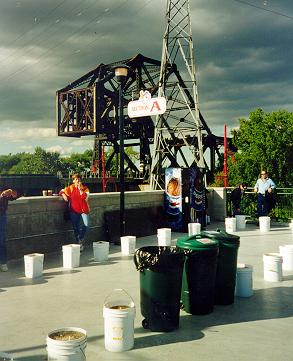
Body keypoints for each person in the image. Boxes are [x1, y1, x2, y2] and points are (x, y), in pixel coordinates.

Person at [59, 173, 90, 251]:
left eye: (78, 179)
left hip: (83, 210)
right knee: (76, 227)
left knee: (87, 225)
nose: (77, 180)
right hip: (74, 210)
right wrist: (63, 195)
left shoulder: (85, 188)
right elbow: (62, 191)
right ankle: (80, 244)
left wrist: (80, 189)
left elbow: (84, 197)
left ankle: (80, 238)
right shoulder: (71, 188)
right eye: (75, 179)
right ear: (73, 181)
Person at [0, 188, 19, 271]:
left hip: (1, 215)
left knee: (2, 240)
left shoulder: (4, 184)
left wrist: (13, 193)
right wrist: (2, 195)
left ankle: (3, 262)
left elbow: (14, 196)